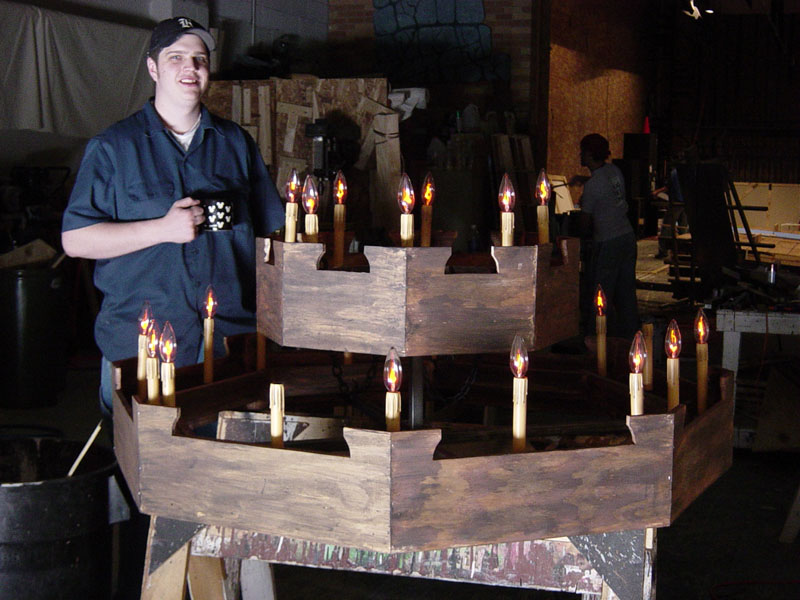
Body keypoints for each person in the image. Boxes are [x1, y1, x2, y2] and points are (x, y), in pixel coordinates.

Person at [62, 17, 284, 416]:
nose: (190, 68)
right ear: (153, 68)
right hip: (143, 344)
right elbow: (75, 238)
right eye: (176, 57)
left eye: (200, 59)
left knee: (223, 449)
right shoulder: (114, 147)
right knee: (142, 452)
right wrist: (161, 229)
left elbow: (271, 233)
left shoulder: (235, 142)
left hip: (228, 341)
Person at [575, 133, 639, 340]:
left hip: (608, 242)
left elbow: (585, 222)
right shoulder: (613, 170)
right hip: (627, 236)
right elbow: (603, 185)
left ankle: (595, 338)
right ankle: (632, 337)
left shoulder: (593, 186)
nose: (580, 155)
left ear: (589, 154)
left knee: (601, 292)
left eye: (582, 151)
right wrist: (583, 181)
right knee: (626, 292)